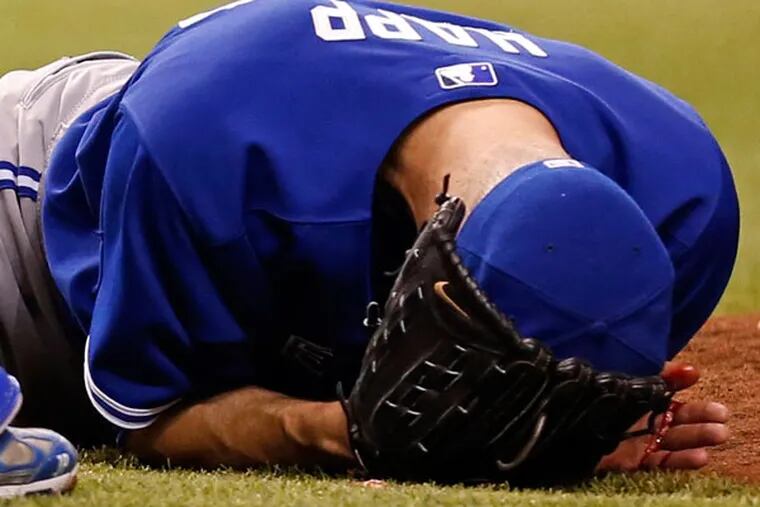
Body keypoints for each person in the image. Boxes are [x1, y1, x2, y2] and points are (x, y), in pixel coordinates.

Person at [0, 0, 737, 477]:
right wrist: (343, 432)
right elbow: (151, 415)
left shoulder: (686, 201)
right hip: (40, 228)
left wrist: (579, 423)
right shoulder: (198, 143)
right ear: (436, 254)